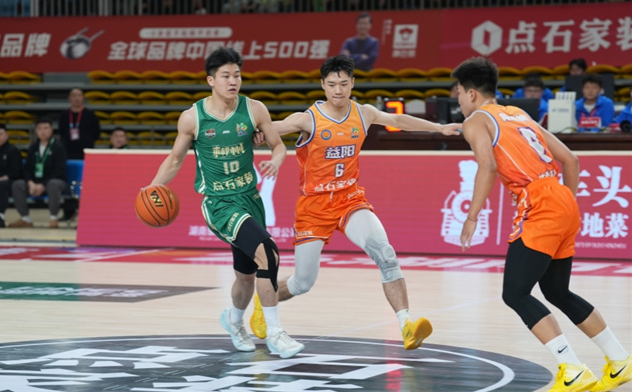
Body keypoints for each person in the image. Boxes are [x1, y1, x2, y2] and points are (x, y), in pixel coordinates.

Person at [249, 55, 462, 351]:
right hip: (314, 207)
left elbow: (398, 120)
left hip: (350, 200)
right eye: (332, 84)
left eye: (343, 83)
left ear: (352, 83)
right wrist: (250, 135)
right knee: (302, 282)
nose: (338, 90)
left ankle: (406, 324)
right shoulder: (307, 119)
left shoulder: (364, 113)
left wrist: (439, 128)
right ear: (323, 85)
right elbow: (273, 129)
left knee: (386, 255)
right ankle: (264, 301)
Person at [452, 56, 632, 392]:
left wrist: (472, 215)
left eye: (459, 92)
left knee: (515, 292)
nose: (458, 99)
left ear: (471, 93)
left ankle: (573, 370)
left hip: (539, 202)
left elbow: (488, 167)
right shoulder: (519, 114)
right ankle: (620, 359)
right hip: (562, 197)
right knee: (557, 291)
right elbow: (571, 160)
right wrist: (563, 204)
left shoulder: (475, 120)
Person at [148, 47, 304, 359]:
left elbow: (278, 146)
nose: (233, 81)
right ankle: (275, 333)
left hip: (250, 199)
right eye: (225, 76)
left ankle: (233, 321)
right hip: (219, 203)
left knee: (246, 277)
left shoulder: (254, 109)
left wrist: (276, 161)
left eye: (237, 75)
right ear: (211, 80)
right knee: (269, 254)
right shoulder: (192, 117)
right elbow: (175, 159)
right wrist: (152, 188)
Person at [10, 117, 67, 229]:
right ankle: (25, 218)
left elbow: (59, 171)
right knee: (17, 185)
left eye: (46, 128)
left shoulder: (59, 147)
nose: (43, 131)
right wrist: (30, 183)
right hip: (35, 183)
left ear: (51, 130)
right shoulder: (33, 148)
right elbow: (27, 169)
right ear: (36, 131)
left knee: (53, 184)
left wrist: (43, 185)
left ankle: (53, 218)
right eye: (39, 128)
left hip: (55, 182)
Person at [58, 88, 101, 160]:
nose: (76, 98)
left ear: (83, 98)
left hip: (86, 151)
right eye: (74, 95)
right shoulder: (64, 115)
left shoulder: (91, 115)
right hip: (68, 152)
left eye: (79, 95)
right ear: (69, 98)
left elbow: (96, 133)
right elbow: (61, 133)